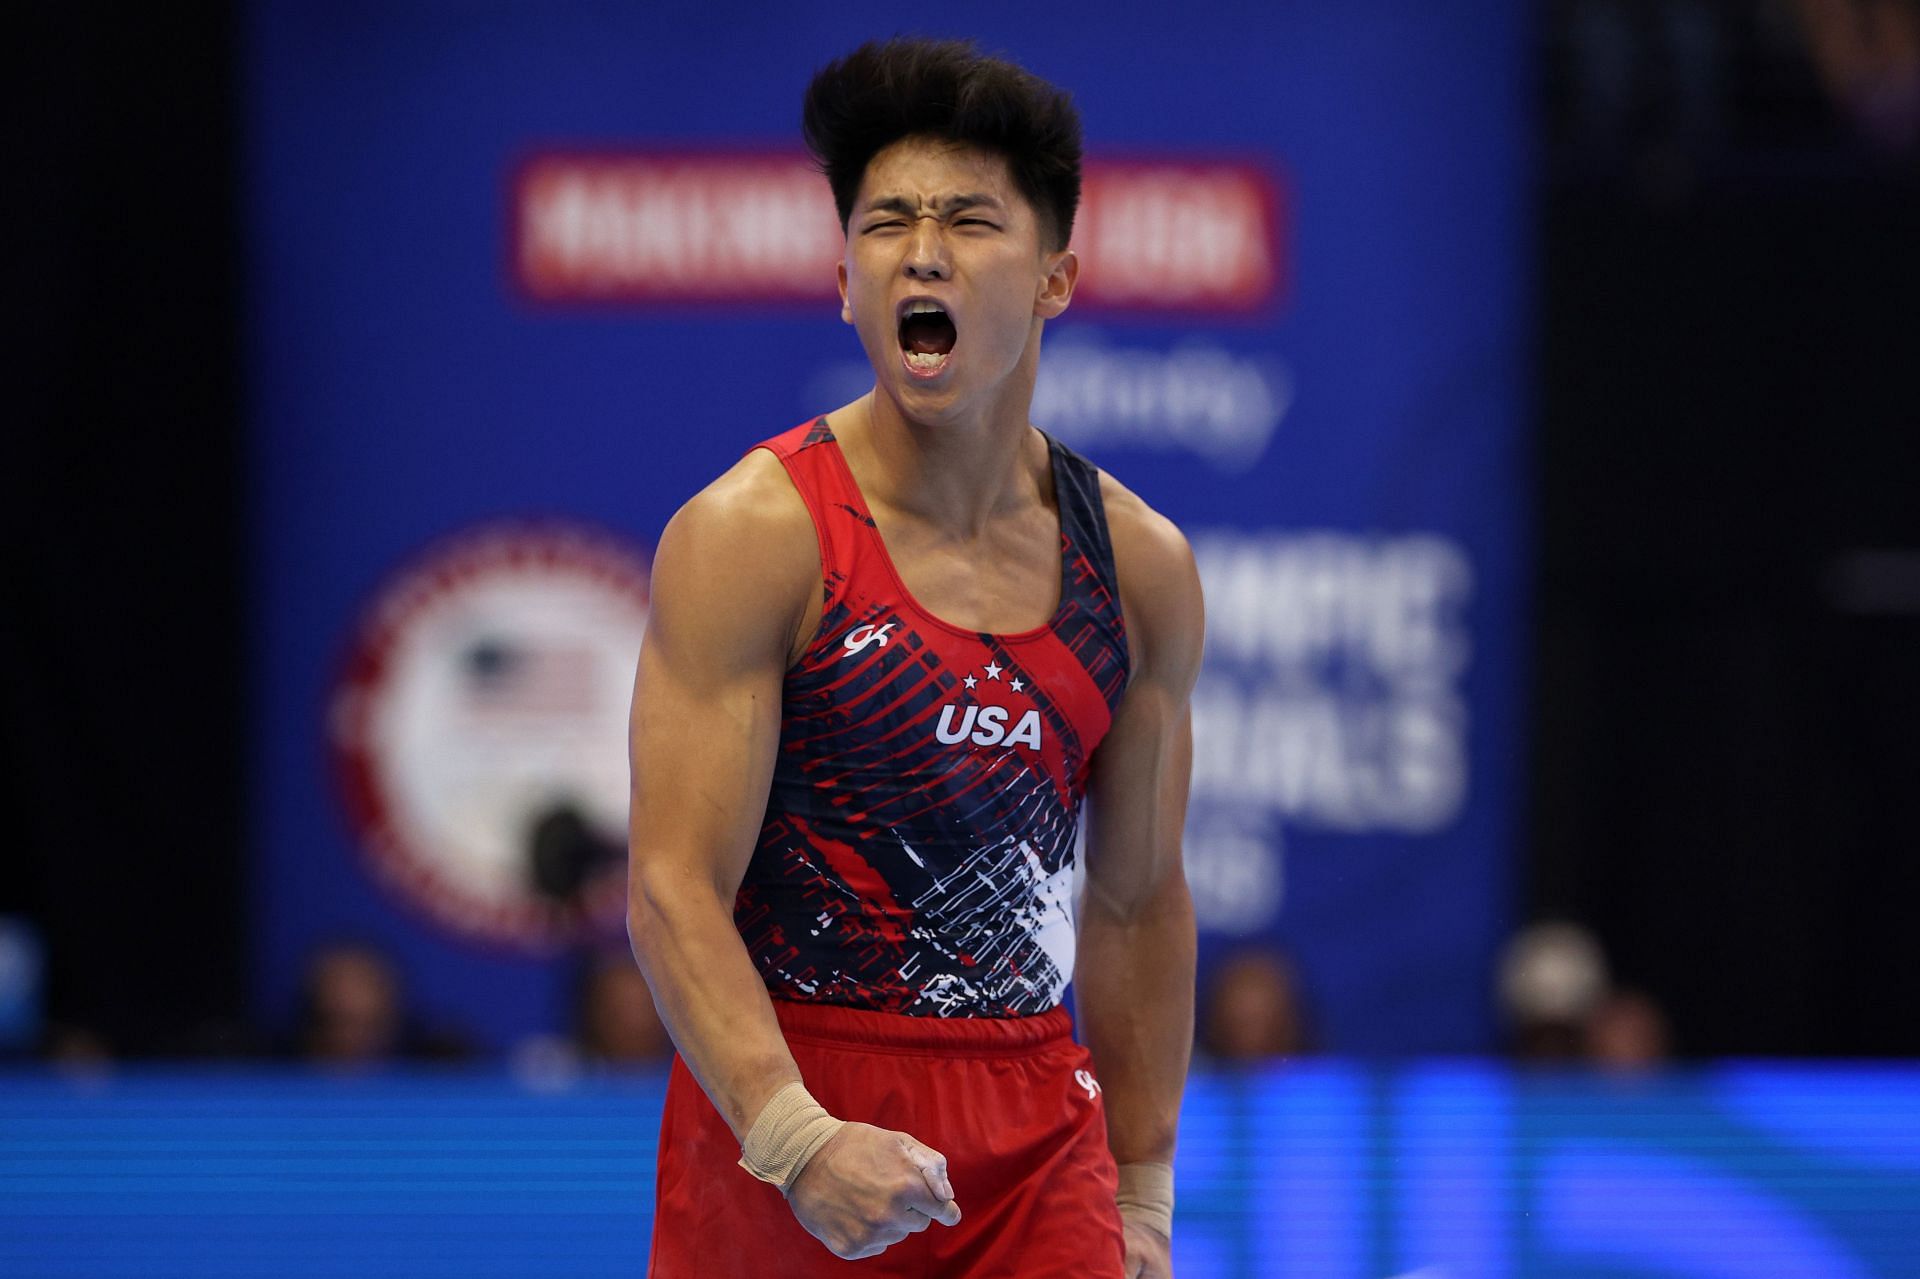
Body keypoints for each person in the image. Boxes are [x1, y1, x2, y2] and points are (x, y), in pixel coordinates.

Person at [626, 38, 1203, 1279]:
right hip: (786, 1102)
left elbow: (1138, 896)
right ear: (846, 281)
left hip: (1036, 1126)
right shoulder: (756, 536)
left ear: (1056, 278)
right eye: (887, 222)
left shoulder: (1139, 569)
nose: (923, 250)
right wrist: (793, 1136)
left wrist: (1145, 1197)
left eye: (969, 221)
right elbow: (673, 885)